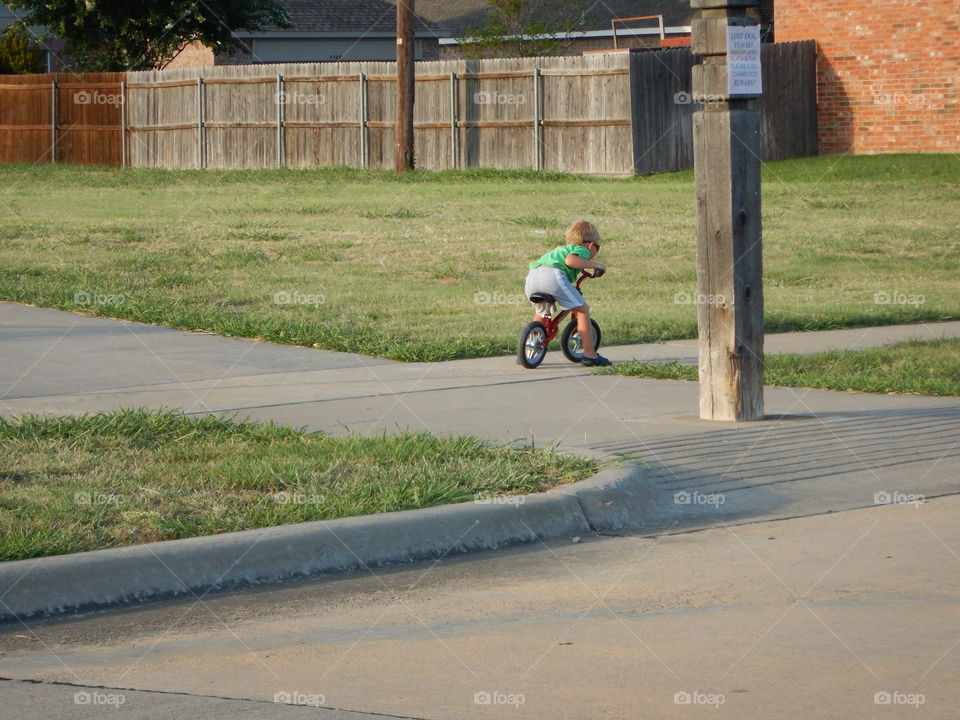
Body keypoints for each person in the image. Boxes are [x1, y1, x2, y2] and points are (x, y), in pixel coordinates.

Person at [524, 219, 612, 367]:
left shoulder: (560, 249)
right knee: (583, 309)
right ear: (591, 245)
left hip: (532, 278)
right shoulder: (581, 250)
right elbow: (571, 261)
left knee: (543, 310)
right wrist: (596, 265)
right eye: (597, 249)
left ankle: (527, 350)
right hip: (552, 276)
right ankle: (590, 355)